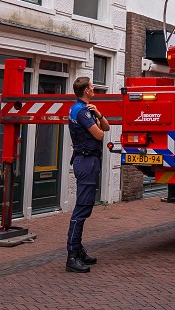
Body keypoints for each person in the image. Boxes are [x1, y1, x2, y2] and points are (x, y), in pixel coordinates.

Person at [65, 76, 109, 273]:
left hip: (87, 160)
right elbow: (100, 134)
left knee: (85, 206)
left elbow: (106, 126)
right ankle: (72, 255)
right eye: (91, 86)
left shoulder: (83, 109)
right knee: (82, 208)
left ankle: (78, 250)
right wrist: (96, 120)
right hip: (86, 160)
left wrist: (98, 114)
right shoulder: (82, 111)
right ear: (86, 91)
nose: (94, 88)